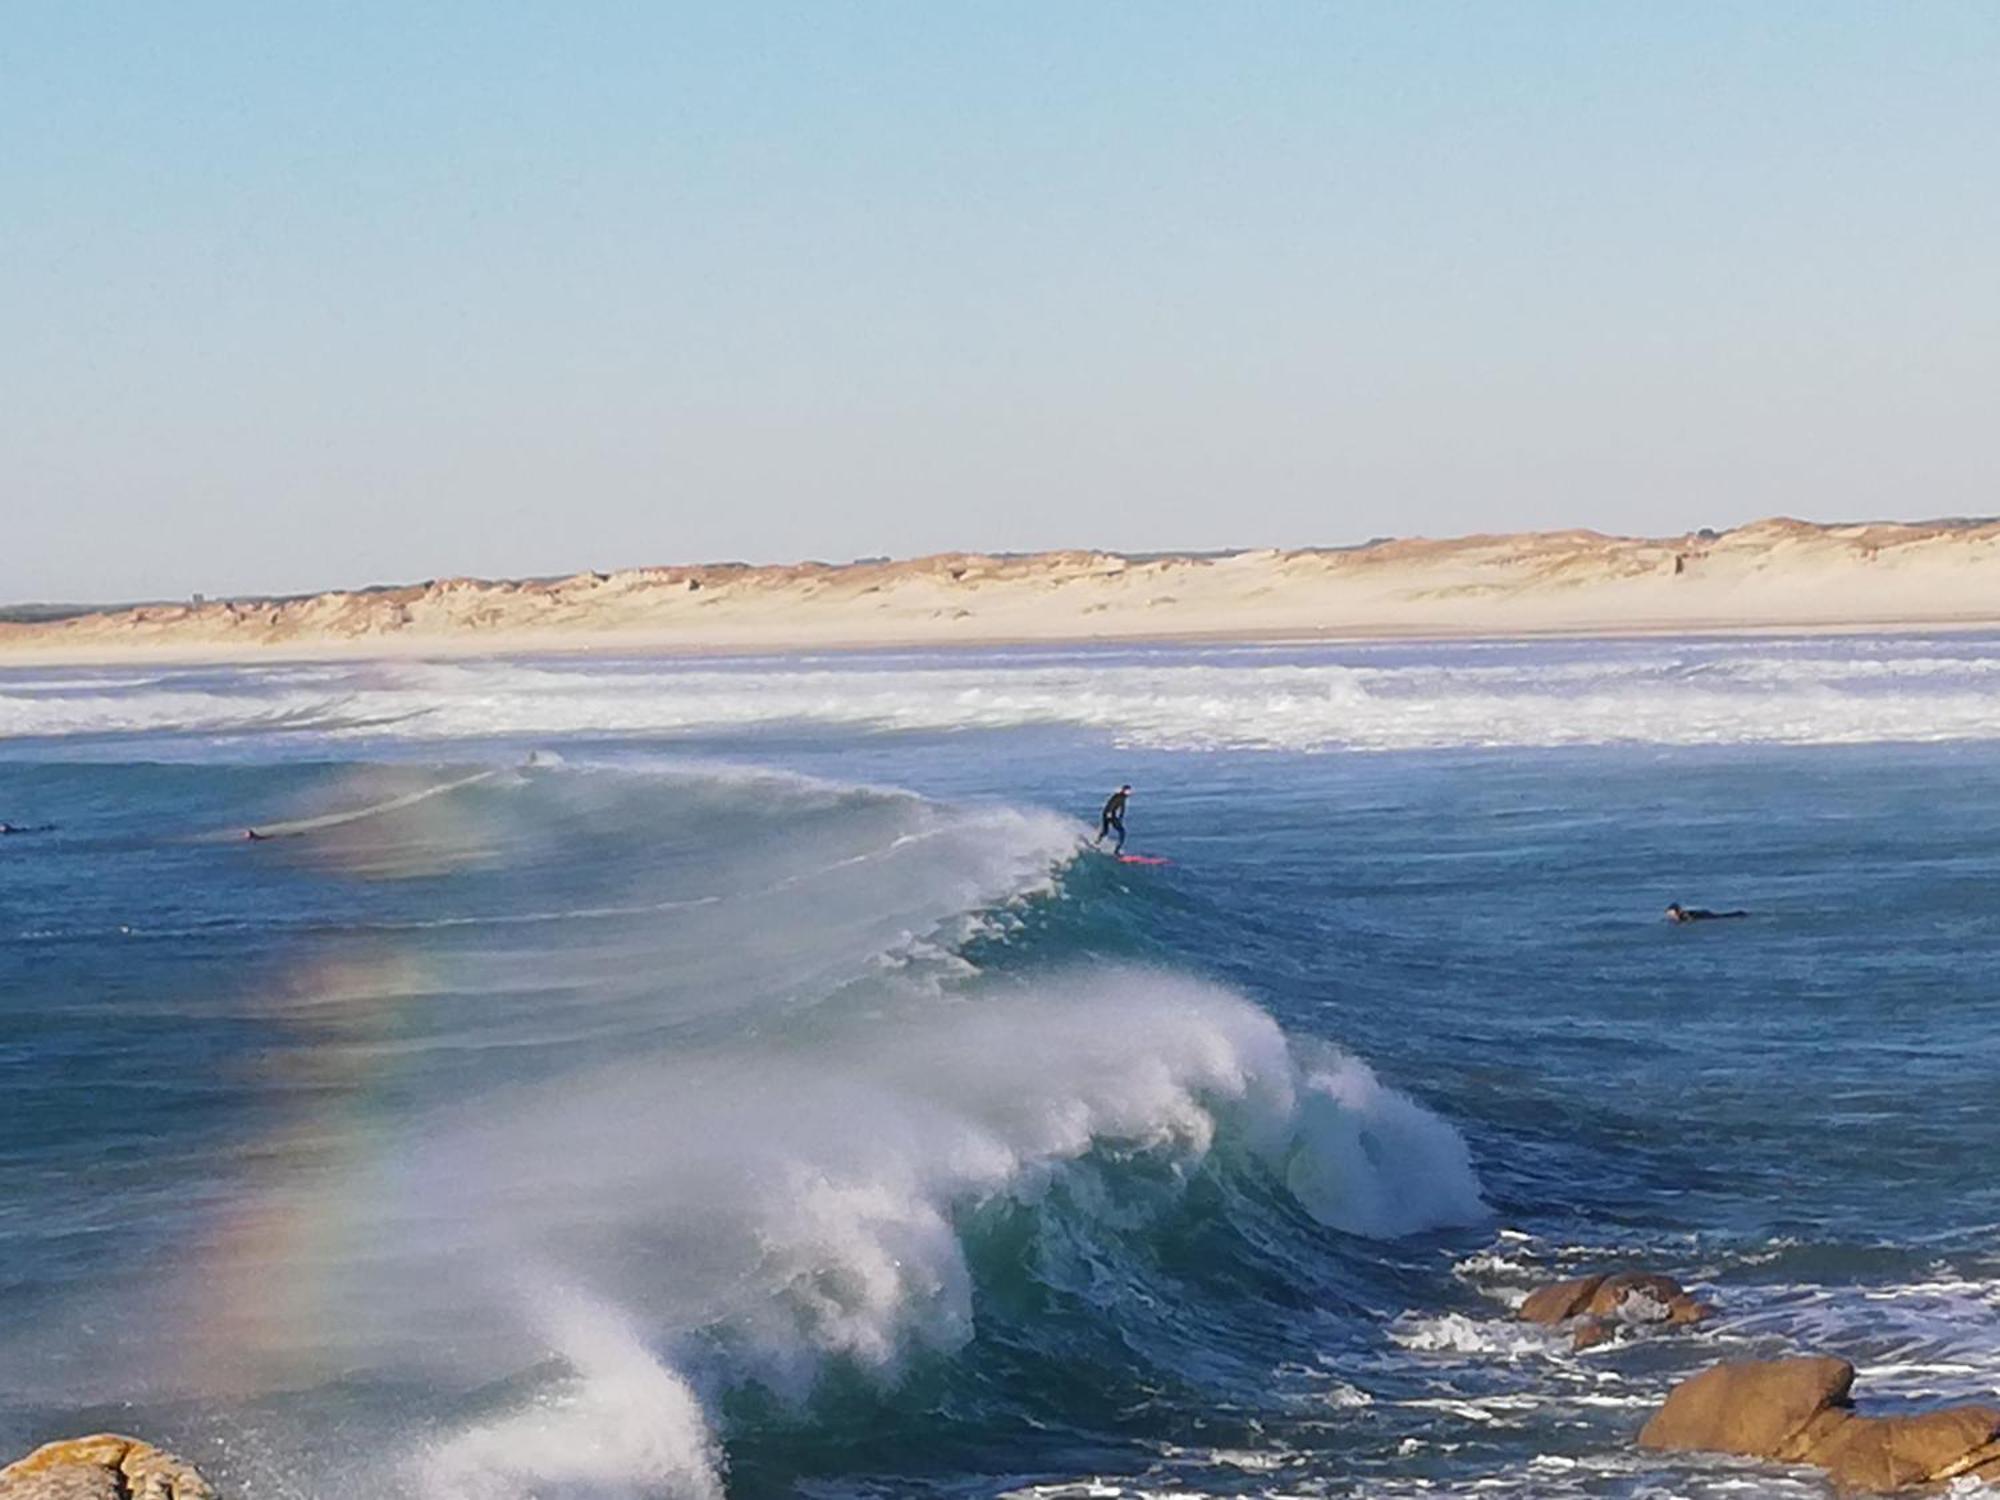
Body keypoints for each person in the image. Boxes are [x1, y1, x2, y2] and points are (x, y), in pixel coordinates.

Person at [1094, 784, 1131, 854]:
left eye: (1129, 791)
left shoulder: (1122, 797)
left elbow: (1122, 808)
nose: (1129, 792)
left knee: (1105, 831)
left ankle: (1097, 843)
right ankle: (1116, 851)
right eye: (1128, 791)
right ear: (1124, 790)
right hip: (1109, 815)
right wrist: (1109, 813)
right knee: (1122, 832)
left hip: (1107, 814)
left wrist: (1120, 818)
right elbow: (1111, 804)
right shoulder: (1119, 797)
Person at [1665, 902, 1746, 923]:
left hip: (1704, 916)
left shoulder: (1683, 915)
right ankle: (1739, 914)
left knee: (1722, 917)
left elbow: (1688, 921)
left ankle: (1739, 914)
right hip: (1703, 914)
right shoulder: (1682, 914)